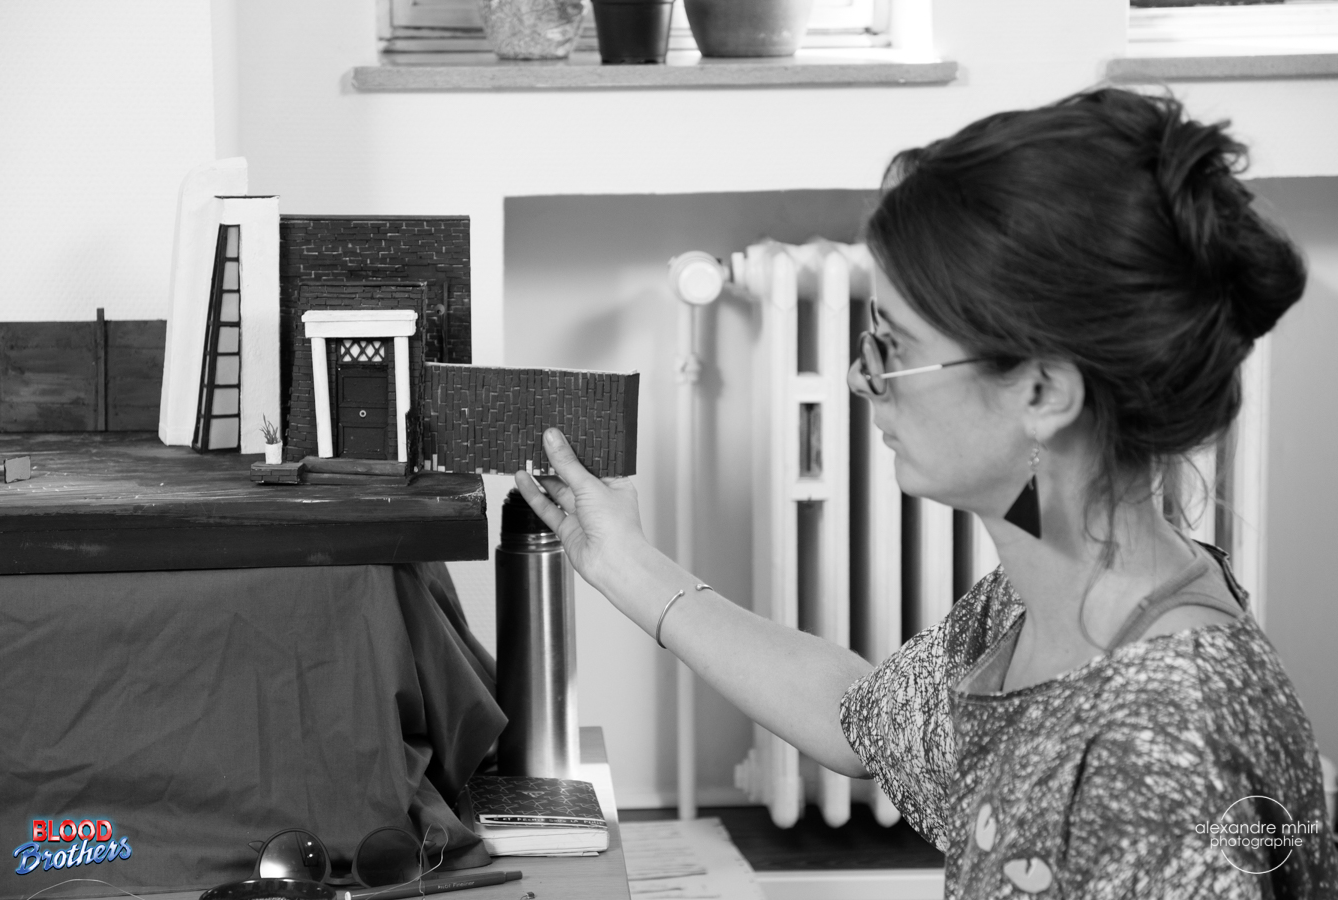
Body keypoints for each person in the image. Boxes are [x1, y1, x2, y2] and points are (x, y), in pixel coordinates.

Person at [513, 87, 1338, 897]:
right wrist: (624, 561)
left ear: (1043, 393)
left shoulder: (1158, 753)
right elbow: (857, 717)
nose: (858, 377)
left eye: (892, 347)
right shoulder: (1040, 600)